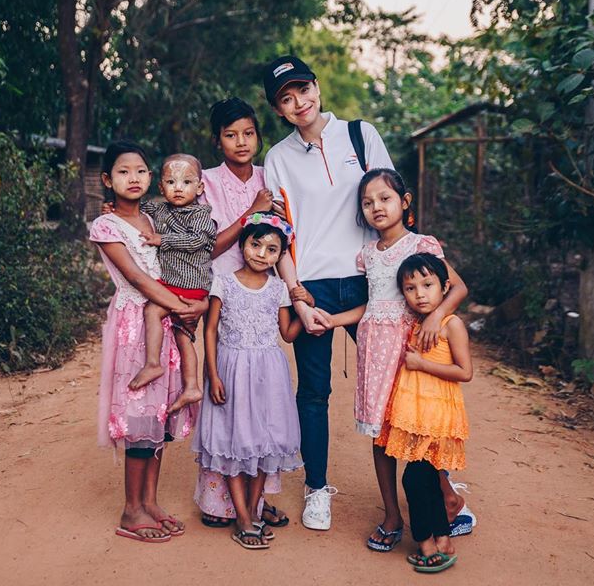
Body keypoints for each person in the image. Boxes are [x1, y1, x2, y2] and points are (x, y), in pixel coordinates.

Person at [261, 54, 392, 530]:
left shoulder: (360, 135)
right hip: (312, 286)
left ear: (317, 85)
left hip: (368, 281)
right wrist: (295, 293)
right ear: (279, 109)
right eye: (286, 98)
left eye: (303, 89)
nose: (299, 102)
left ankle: (426, 486)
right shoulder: (276, 158)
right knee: (314, 392)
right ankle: (317, 489)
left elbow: (388, 203)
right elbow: (280, 236)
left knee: (394, 381)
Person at [319, 168, 472, 551]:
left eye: (385, 199)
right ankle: (391, 514)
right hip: (374, 351)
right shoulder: (368, 254)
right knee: (380, 432)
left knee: (417, 430)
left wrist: (435, 316)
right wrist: (334, 320)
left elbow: (458, 287)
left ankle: (446, 496)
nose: (376, 208)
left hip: (409, 350)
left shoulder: (422, 244)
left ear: (404, 203)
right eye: (368, 203)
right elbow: (372, 305)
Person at [88, 141, 207, 542]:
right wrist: (182, 306)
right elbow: (138, 278)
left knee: (159, 415)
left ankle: (150, 502)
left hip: (163, 322)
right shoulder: (106, 226)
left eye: (140, 171)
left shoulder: (157, 220)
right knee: (139, 415)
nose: (133, 178)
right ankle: (131, 509)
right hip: (135, 325)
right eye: (123, 172)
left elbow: (191, 252)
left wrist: (192, 303)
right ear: (107, 180)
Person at [193, 98, 302, 529]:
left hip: (262, 289)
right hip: (220, 290)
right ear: (216, 140)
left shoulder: (268, 175)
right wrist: (250, 212)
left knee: (259, 406)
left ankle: (257, 503)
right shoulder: (204, 182)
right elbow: (205, 247)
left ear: (259, 135)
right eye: (230, 134)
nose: (241, 142)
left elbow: (284, 234)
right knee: (226, 400)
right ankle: (218, 503)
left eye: (248, 133)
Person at [192, 214, 304, 549]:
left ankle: (254, 513)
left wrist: (305, 307)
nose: (261, 253)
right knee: (232, 442)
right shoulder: (223, 282)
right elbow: (210, 330)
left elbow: (287, 333)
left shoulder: (279, 288)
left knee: (261, 444)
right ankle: (241, 517)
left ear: (279, 255)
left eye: (272, 249)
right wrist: (212, 374)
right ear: (243, 245)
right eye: (256, 244)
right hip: (231, 368)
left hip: (269, 374)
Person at [377, 253, 472, 573]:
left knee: (414, 478)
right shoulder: (414, 322)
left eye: (428, 285)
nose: (419, 294)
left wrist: (421, 364)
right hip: (415, 414)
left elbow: (465, 371)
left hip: (436, 416)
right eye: (410, 288)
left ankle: (425, 542)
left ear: (445, 287)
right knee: (428, 477)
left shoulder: (450, 324)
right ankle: (443, 540)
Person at [130, 154, 216, 416]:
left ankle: (153, 363)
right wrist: (113, 207)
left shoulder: (201, 214)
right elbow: (138, 208)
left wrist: (161, 239)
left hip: (189, 283)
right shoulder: (161, 209)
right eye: (171, 181)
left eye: (187, 181)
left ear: (200, 188)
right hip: (174, 283)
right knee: (183, 334)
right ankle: (191, 386)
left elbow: (196, 241)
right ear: (161, 187)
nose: (178, 187)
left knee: (152, 311)